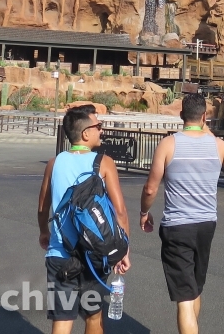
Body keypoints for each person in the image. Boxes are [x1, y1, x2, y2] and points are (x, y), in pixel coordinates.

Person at [139, 93, 224, 334]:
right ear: (204, 117)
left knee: (184, 296)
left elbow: (151, 187)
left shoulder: (169, 144)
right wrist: (211, 135)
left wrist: (144, 211)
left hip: (177, 225)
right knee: (194, 288)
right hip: (206, 223)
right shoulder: (216, 145)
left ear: (181, 115)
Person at [37, 106, 131, 333]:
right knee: (93, 315)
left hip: (60, 253)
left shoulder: (54, 162)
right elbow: (120, 212)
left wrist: (44, 232)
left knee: (62, 318)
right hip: (94, 254)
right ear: (85, 133)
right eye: (98, 126)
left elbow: (43, 206)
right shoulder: (104, 162)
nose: (102, 130)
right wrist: (123, 250)